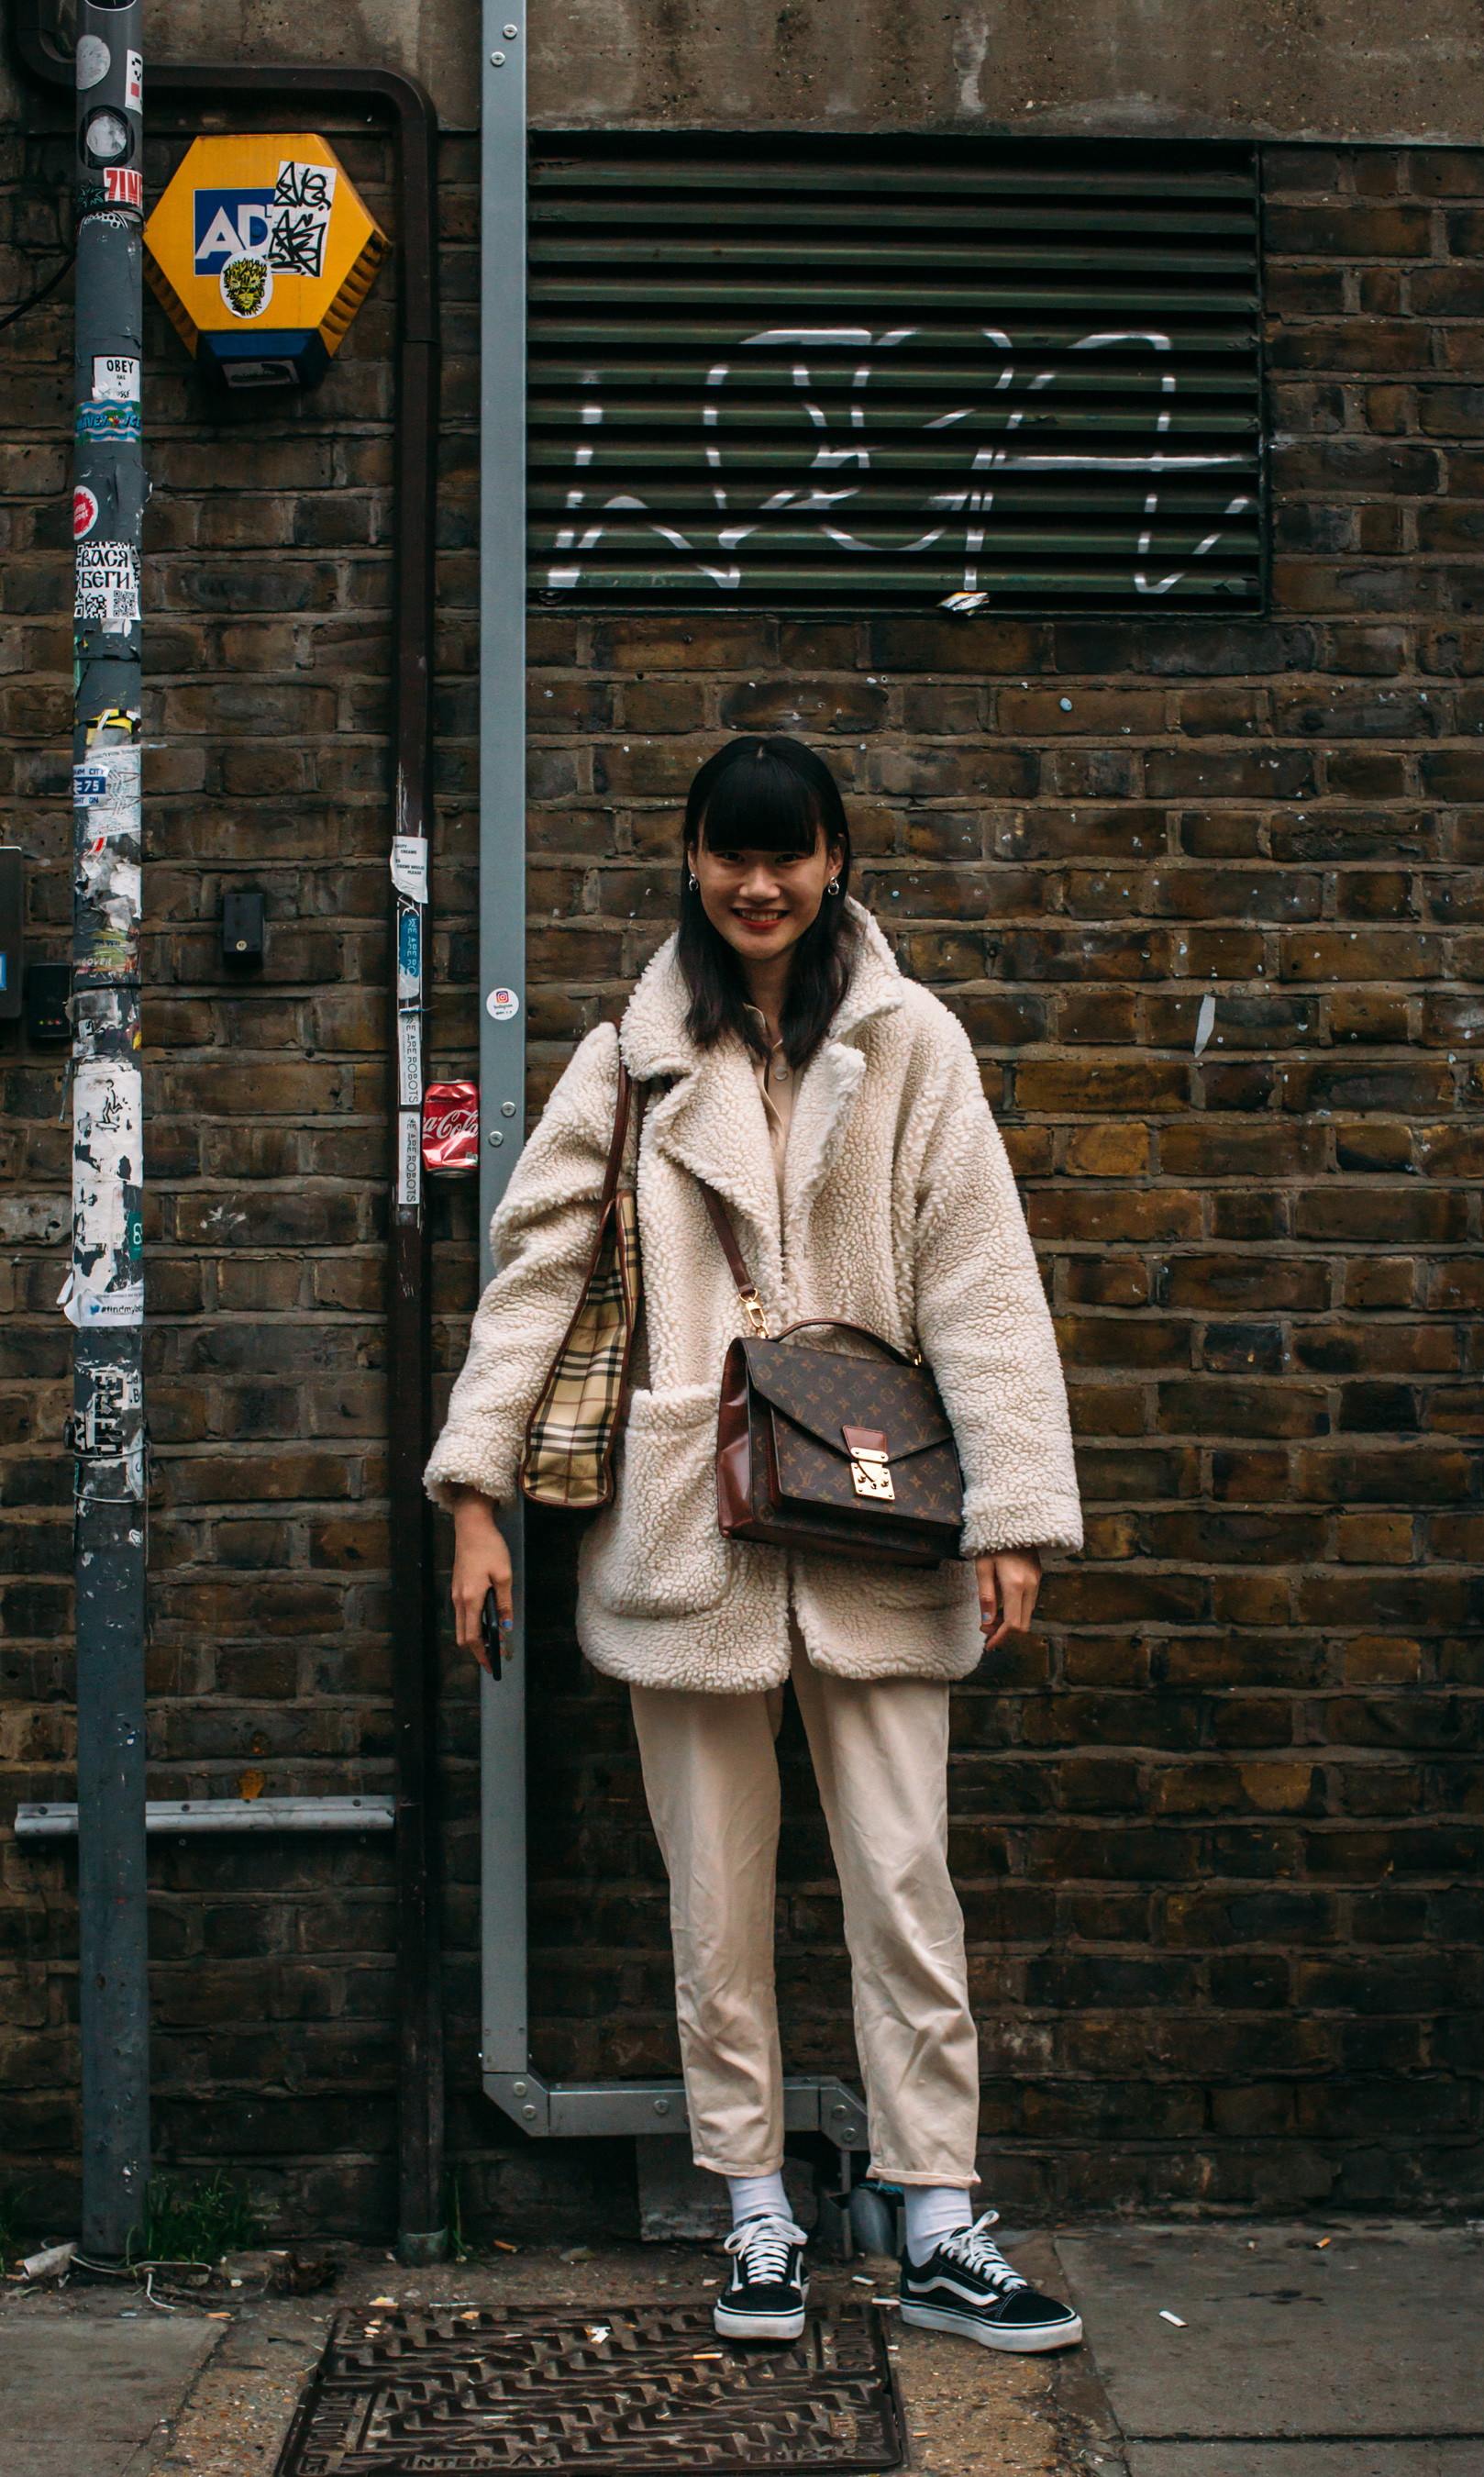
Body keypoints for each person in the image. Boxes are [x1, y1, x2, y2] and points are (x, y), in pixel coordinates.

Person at [426, 735, 1086, 2352]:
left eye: (791, 854)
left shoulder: (911, 1042)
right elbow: (532, 1276)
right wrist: (473, 1500)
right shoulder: (635, 1057)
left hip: (873, 1516)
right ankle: (758, 2215)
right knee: (712, 1905)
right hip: (688, 1535)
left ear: (840, 856)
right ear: (693, 857)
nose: (761, 884)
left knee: (903, 1879)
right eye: (733, 853)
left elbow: (981, 1281)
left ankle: (939, 2215)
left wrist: (1014, 1515)